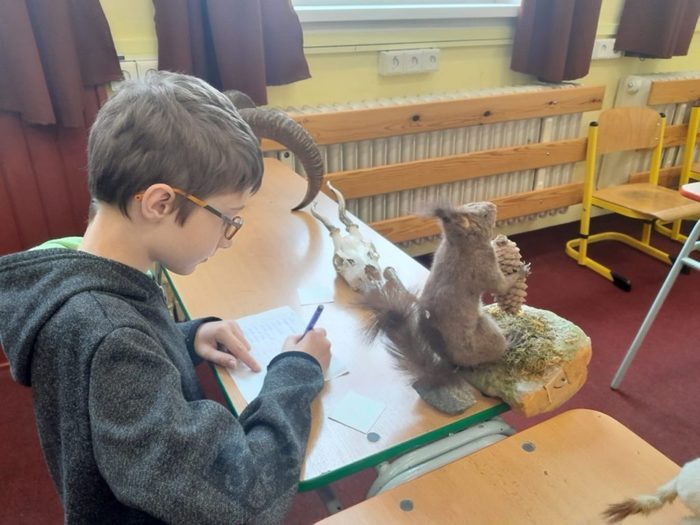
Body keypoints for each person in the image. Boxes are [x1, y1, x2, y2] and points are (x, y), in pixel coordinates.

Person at [0, 71, 331, 524]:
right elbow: (242, 496)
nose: (228, 238)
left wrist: (185, 336)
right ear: (159, 203)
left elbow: (111, 353)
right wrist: (296, 371)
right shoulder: (112, 339)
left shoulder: (80, 273)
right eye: (228, 218)